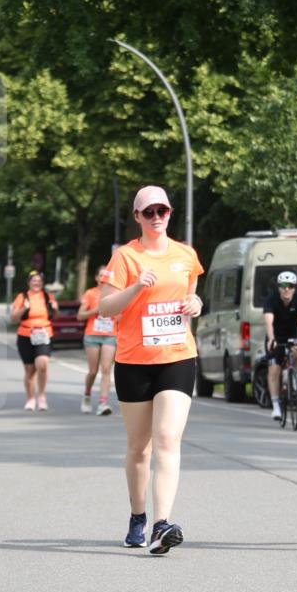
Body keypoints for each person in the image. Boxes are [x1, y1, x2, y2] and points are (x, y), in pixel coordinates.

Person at [99, 185, 204, 554]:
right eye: (149, 212)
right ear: (138, 217)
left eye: (162, 211)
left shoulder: (186, 255)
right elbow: (106, 308)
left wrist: (196, 303)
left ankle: (162, 525)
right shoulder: (125, 258)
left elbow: (191, 294)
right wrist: (136, 289)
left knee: (167, 439)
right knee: (139, 449)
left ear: (170, 213)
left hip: (177, 356)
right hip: (134, 360)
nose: (156, 217)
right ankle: (138, 516)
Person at [263, 271, 297, 421]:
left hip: (292, 334)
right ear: (278, 287)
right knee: (274, 370)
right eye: (283, 286)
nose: (286, 289)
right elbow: (268, 321)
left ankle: (295, 374)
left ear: (294, 288)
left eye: (290, 286)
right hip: (275, 336)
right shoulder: (271, 299)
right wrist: (271, 339)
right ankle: (276, 407)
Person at [10, 271, 58, 411]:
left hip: (44, 334)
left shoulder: (48, 297)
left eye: (39, 281)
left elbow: (55, 316)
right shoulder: (22, 297)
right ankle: (30, 398)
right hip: (26, 335)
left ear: (42, 283)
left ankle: (41, 396)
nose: (36, 283)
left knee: (42, 365)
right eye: (34, 281)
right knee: (30, 370)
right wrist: (23, 308)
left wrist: (55, 309)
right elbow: (13, 318)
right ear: (29, 282)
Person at [77, 266, 118, 416]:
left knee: (106, 369)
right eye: (101, 275)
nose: (103, 279)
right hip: (92, 334)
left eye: (106, 275)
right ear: (96, 278)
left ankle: (103, 402)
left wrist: (113, 312)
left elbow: (120, 317)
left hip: (110, 334)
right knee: (93, 371)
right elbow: (80, 316)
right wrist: (96, 310)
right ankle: (87, 394)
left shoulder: (116, 294)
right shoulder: (90, 293)